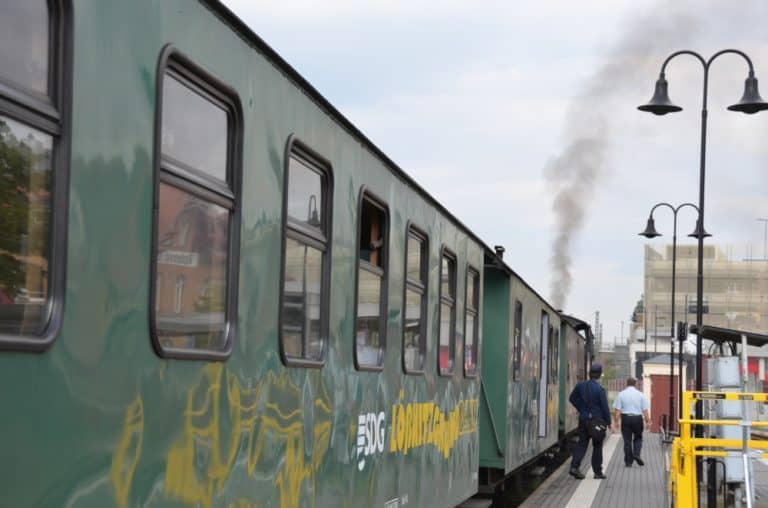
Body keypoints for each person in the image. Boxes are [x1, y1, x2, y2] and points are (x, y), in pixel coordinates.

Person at [569, 363, 611, 480]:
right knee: (597, 446)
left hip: (583, 419)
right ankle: (597, 472)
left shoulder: (580, 385)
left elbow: (572, 398)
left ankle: (574, 467)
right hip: (597, 422)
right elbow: (605, 408)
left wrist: (581, 409)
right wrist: (608, 422)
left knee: (582, 443)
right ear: (599, 375)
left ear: (589, 373)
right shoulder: (600, 389)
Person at [612, 377, 650, 467]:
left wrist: (616, 421)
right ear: (635, 384)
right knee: (638, 438)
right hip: (637, 419)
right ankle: (636, 454)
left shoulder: (621, 394)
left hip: (626, 419)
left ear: (627, 383)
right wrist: (648, 422)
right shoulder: (641, 395)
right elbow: (645, 410)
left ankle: (628, 462)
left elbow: (617, 410)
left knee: (627, 440)